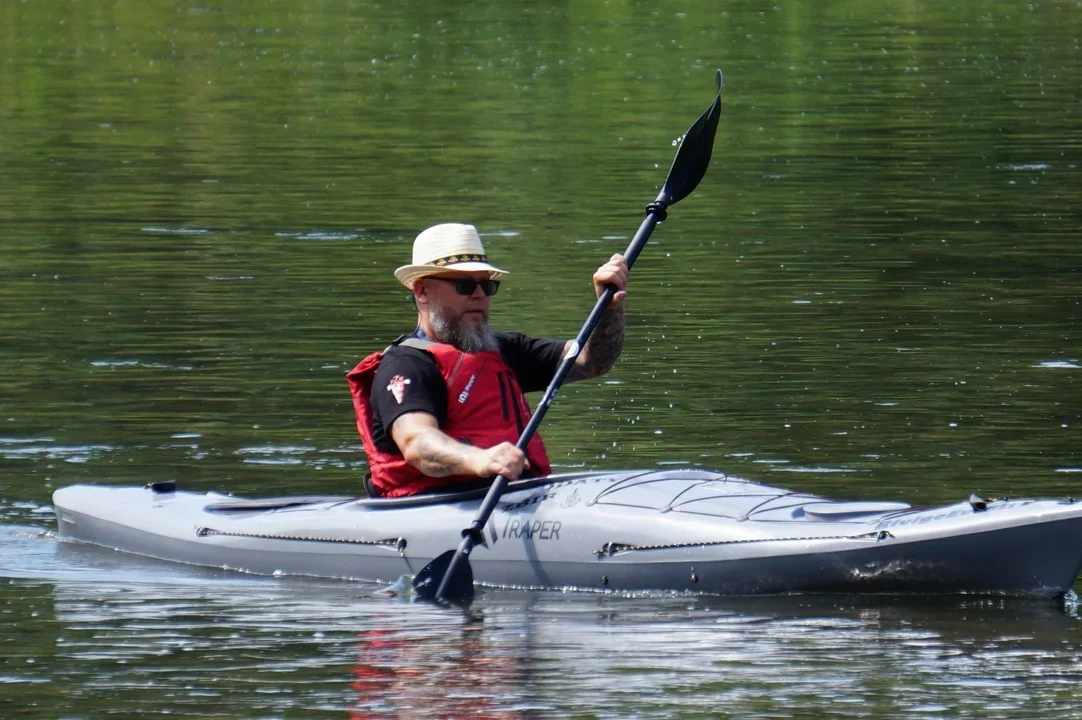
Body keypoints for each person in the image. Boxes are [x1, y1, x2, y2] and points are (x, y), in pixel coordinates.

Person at [347, 222, 628, 498]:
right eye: (464, 285)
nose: (479, 294)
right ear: (421, 291)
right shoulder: (406, 364)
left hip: (516, 500)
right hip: (434, 510)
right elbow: (418, 443)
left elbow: (590, 362)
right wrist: (479, 460)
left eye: (486, 285)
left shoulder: (503, 350)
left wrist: (608, 308)